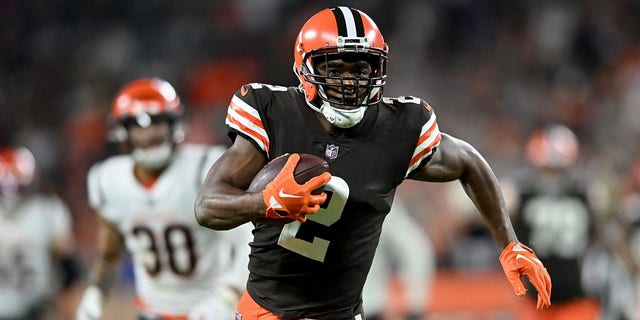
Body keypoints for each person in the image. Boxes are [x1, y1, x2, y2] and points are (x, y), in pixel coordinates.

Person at [194, 6, 552, 319]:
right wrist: (264, 202)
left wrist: (510, 244)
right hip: (265, 310)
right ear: (305, 68)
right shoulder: (272, 114)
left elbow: (469, 162)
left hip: (341, 312)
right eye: (336, 68)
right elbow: (207, 206)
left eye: (361, 68)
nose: (349, 81)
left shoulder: (398, 128)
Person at [75, 78, 252, 320]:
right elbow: (110, 251)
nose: (148, 135)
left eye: (156, 123)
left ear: (174, 124)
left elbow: (248, 237)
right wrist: (95, 293)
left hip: (210, 310)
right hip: (151, 311)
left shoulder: (204, 167)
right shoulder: (108, 179)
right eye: (138, 125)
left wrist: (229, 295)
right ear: (122, 131)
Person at [502, 124, 603, 319]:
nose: (551, 177)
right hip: (538, 300)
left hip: (573, 298)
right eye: (547, 170)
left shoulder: (521, 196)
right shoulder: (587, 196)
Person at [0, 146, 78, 320]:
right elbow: (70, 269)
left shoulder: (47, 213)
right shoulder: (48, 212)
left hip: (37, 310)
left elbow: (70, 268)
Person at [362, 197, 435, 320]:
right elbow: (416, 249)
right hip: (358, 305)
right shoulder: (376, 198)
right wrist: (416, 303)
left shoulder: (378, 202)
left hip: (367, 306)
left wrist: (415, 303)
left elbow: (415, 249)